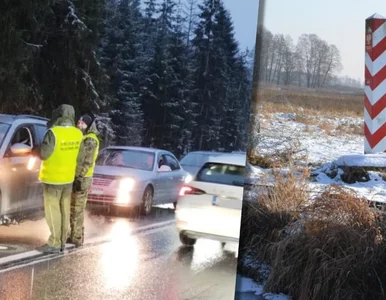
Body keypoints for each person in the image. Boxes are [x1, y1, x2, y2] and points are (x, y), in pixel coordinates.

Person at [34, 104, 83, 254]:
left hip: (52, 179)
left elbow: (44, 154)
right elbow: (80, 159)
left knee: (52, 211)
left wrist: (35, 149)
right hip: (68, 179)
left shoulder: (53, 133)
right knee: (64, 210)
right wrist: (78, 176)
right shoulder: (78, 134)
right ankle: (62, 241)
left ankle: (54, 243)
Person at [67, 113, 100, 247]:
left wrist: (79, 177)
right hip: (78, 177)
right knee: (73, 208)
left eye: (82, 123)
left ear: (88, 125)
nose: (79, 125)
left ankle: (77, 237)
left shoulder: (90, 140)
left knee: (77, 208)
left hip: (83, 178)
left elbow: (87, 161)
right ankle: (74, 234)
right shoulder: (83, 137)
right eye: (78, 122)